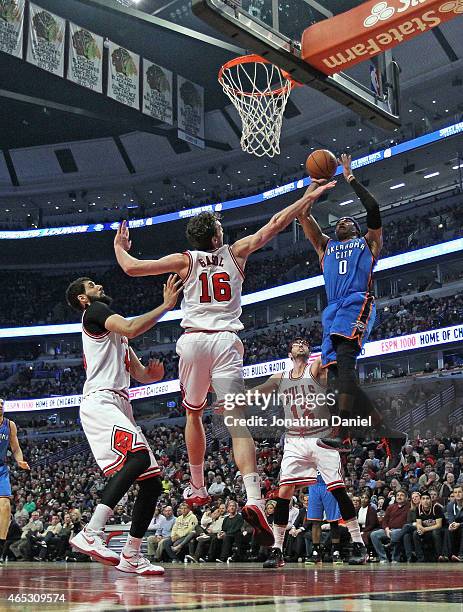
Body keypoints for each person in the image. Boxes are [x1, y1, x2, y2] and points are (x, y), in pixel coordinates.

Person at [114, 180, 335, 545]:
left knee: (193, 413)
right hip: (226, 343)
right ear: (216, 237)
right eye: (220, 227)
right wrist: (306, 199)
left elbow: (134, 268)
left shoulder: (184, 260)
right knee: (237, 425)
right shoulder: (236, 252)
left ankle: (198, 486)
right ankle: (252, 497)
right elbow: (276, 223)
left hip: (193, 342)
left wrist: (120, 248)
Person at [65, 274, 182, 575]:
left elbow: (140, 373)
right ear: (83, 298)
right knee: (139, 456)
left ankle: (131, 554)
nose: (99, 286)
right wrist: (166, 305)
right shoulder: (95, 312)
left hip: (119, 401)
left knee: (152, 482)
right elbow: (131, 325)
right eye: (91, 285)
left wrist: (152, 376)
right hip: (100, 401)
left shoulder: (115, 334)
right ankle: (91, 531)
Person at [297, 154, 406, 461]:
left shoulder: (369, 244)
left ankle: (343, 432)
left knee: (345, 363)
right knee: (334, 378)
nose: (345, 221)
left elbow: (373, 209)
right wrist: (313, 189)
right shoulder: (325, 246)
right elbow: (304, 217)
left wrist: (350, 179)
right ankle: (389, 435)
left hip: (358, 302)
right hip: (333, 311)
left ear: (358, 230)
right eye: (341, 221)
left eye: (350, 221)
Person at [247, 337, 368, 568]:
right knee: (284, 492)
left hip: (320, 435)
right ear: (289, 353)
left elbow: (334, 351)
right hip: (294, 438)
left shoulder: (316, 367)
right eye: (296, 343)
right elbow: (255, 392)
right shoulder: (280, 377)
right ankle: (277, 549)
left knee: (338, 489)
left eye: (304, 342)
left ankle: (358, 544)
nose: (301, 344)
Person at [0, 398, 30, 562]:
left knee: (5, 506)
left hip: (1, 470)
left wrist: (20, 460)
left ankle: (0, 548)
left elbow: (16, 447)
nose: (0, 406)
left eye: (2, 404)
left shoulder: (9, 424)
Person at [305, 473, 343, 565]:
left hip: (329, 484)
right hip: (313, 485)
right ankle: (316, 552)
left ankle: (336, 551)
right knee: (315, 521)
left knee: (333, 521)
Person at [370, 490, 410, 563]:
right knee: (373, 534)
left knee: (395, 533)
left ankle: (395, 558)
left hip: (400, 530)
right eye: (397, 495)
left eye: (402, 495)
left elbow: (408, 522)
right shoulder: (391, 507)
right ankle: (383, 558)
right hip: (388, 530)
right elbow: (384, 521)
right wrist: (387, 529)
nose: (399, 497)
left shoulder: (409, 507)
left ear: (406, 497)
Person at [413, 491, 444, 562]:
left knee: (435, 532)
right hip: (426, 530)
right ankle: (420, 558)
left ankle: (438, 556)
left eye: (427, 498)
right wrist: (419, 529)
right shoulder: (418, 508)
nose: (425, 501)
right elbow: (418, 523)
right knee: (415, 533)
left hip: (439, 530)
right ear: (420, 500)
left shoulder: (436, 508)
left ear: (430, 500)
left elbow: (439, 525)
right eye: (423, 499)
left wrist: (424, 529)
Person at [444, 485, 463, 562]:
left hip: (461, 526)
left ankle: (461, 555)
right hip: (457, 527)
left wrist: (460, 524)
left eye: (460, 492)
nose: (457, 494)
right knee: (448, 530)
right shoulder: (450, 505)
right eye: (455, 492)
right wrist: (451, 525)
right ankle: (446, 556)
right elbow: (451, 518)